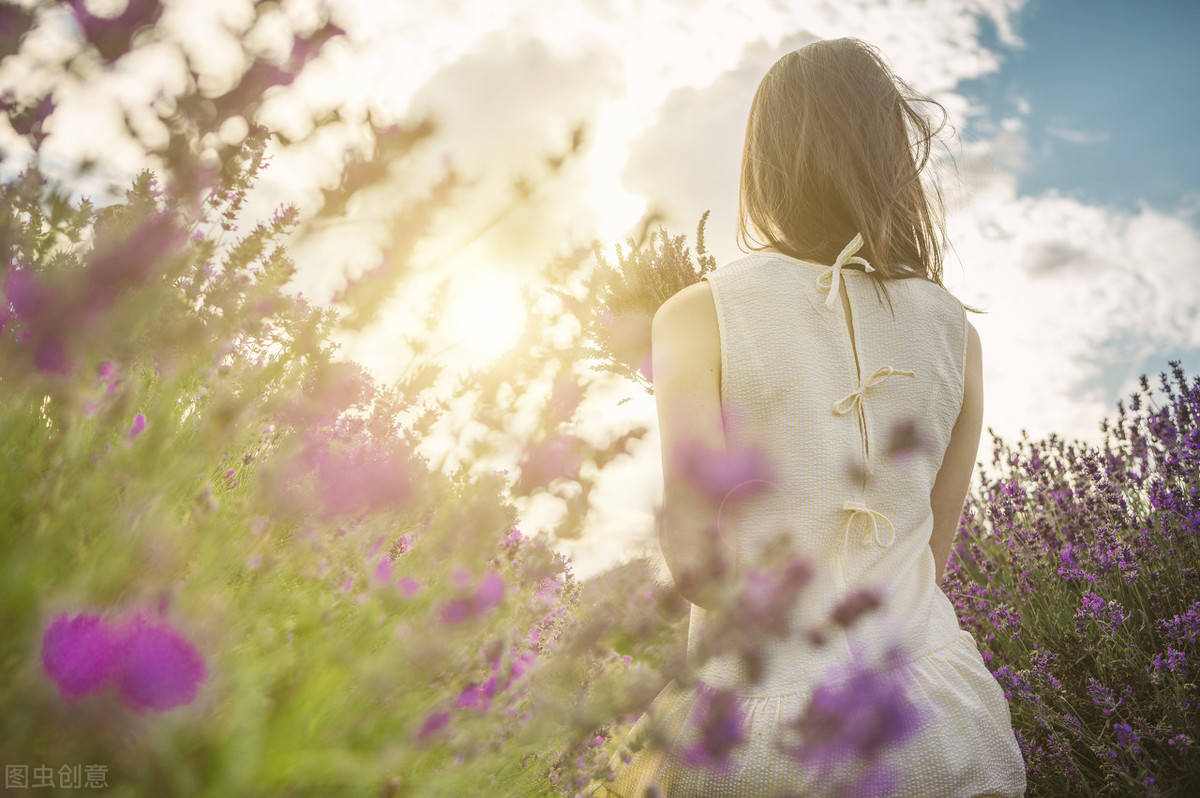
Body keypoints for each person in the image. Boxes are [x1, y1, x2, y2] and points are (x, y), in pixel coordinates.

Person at [587, 37, 1028, 797]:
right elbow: (931, 555)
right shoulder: (959, 334)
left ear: (764, 161)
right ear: (893, 157)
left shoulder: (697, 316)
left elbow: (695, 564)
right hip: (940, 716)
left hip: (762, 738)